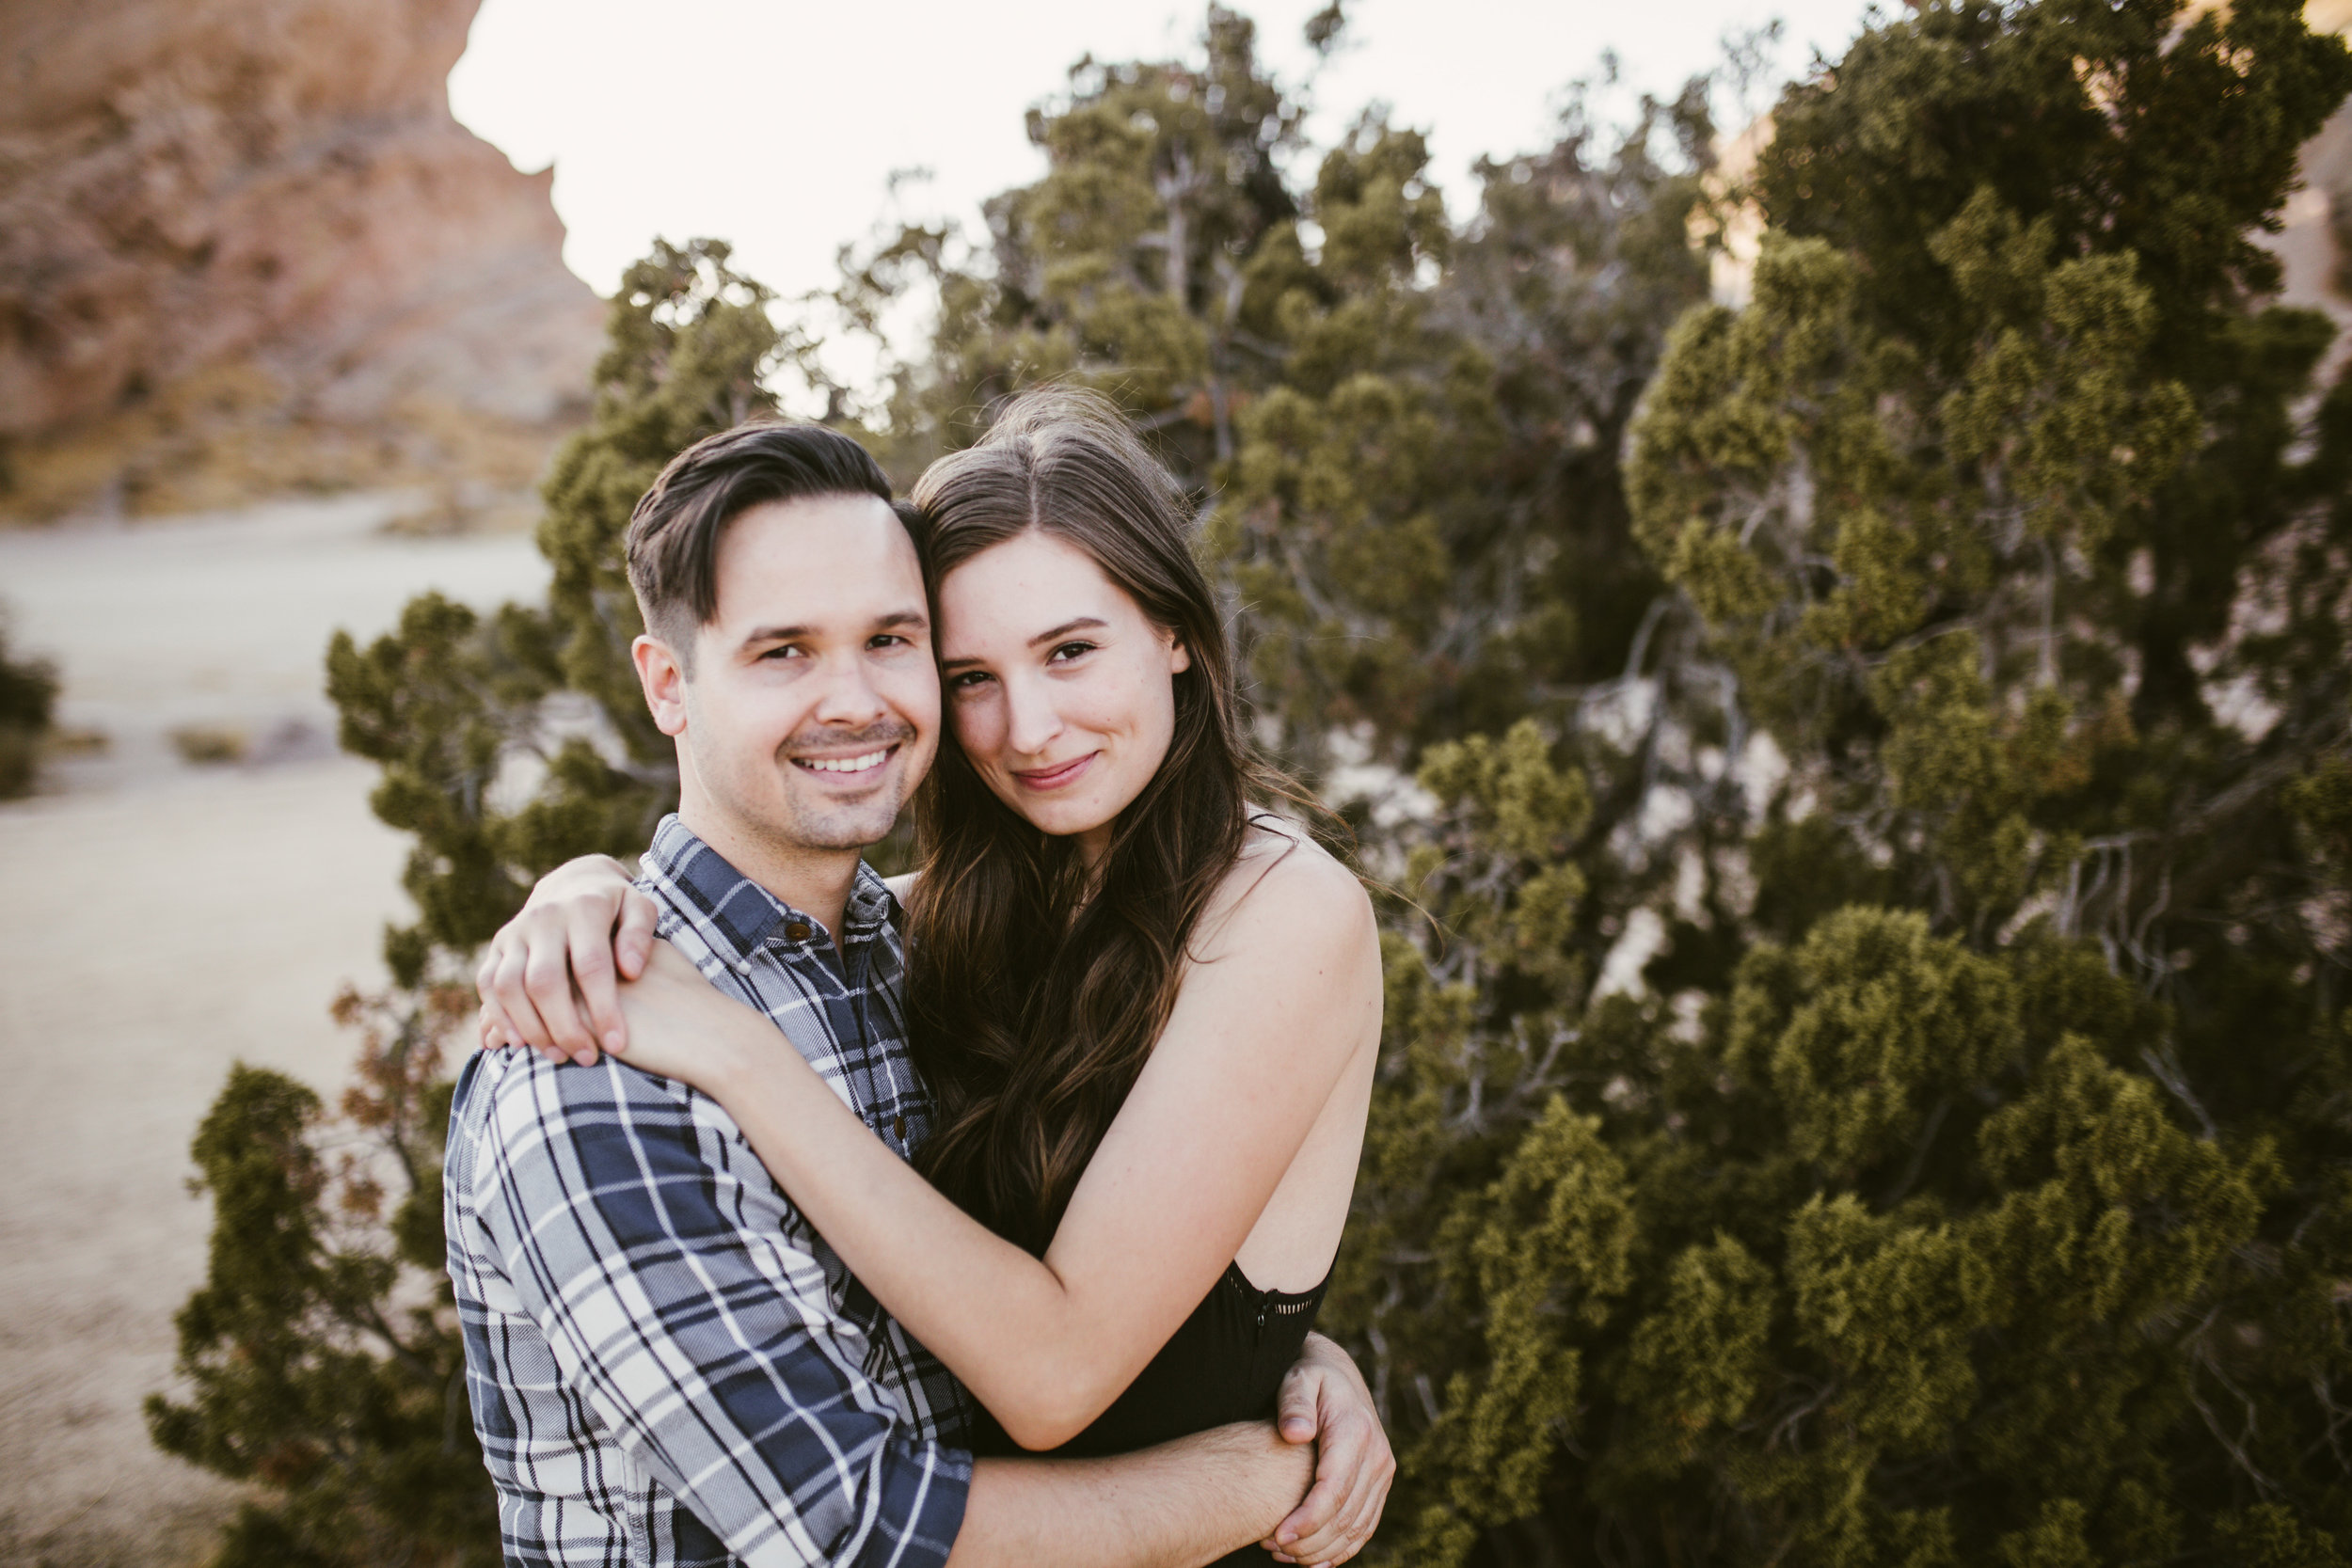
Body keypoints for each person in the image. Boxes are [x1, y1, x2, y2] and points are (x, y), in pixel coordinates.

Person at [471, 396, 1389, 1566]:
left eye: (1069, 649)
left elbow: (1081, 1353)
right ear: (669, 684)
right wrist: (576, 887)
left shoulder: (1277, 907)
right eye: (969, 674)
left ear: (1174, 629)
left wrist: (1293, 1359)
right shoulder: (907, 933)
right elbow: (863, 1501)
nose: (1029, 725)